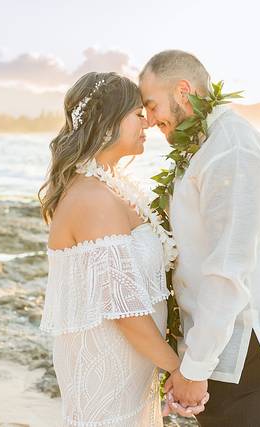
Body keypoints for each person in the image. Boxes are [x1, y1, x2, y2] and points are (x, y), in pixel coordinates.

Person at [139, 50, 260, 426]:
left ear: (183, 91)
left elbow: (229, 269)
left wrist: (195, 368)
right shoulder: (206, 144)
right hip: (215, 341)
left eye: (151, 105)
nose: (148, 120)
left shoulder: (233, 150)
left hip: (240, 342)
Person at [38, 71, 207, 426]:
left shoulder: (113, 185)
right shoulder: (92, 197)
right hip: (107, 361)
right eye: (136, 114)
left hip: (132, 360)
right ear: (107, 122)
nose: (146, 121)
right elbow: (123, 307)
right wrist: (178, 369)